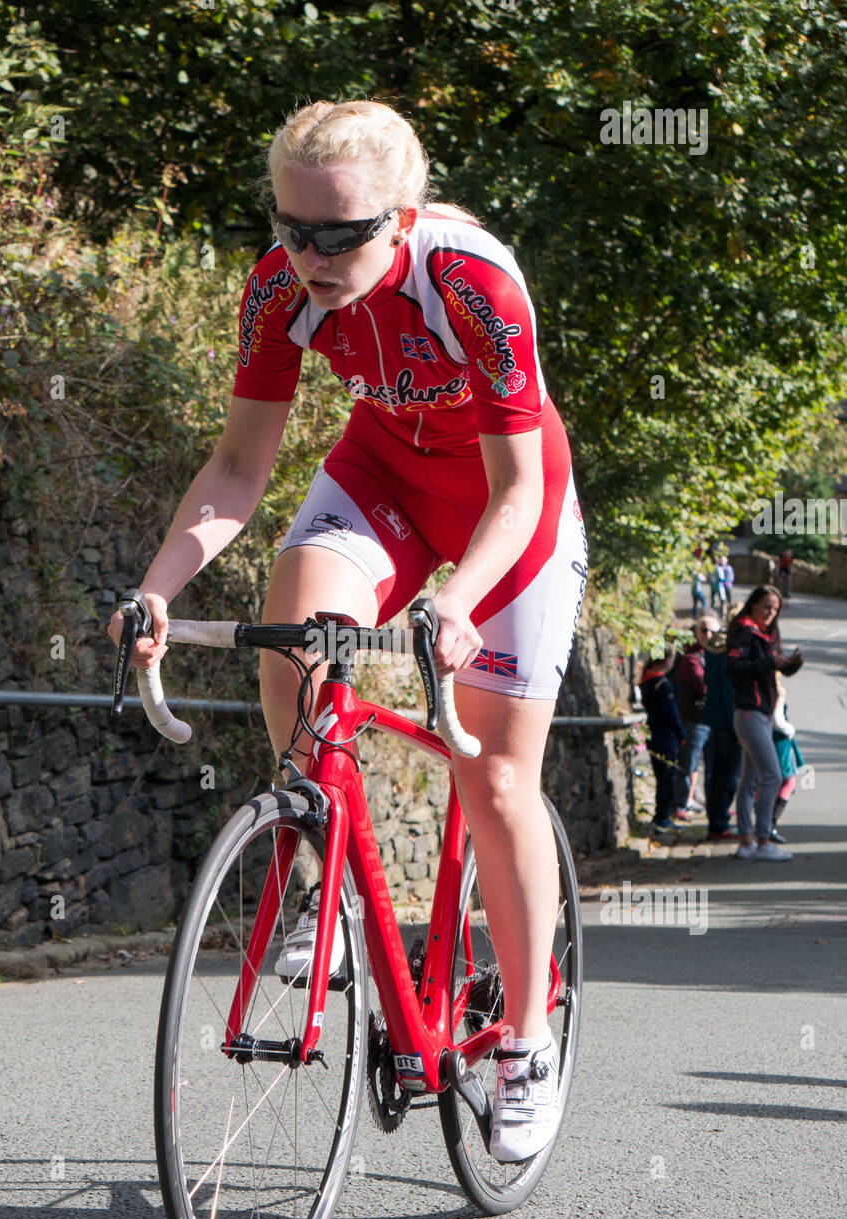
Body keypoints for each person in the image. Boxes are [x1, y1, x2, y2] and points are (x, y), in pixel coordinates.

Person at [106, 99, 588, 1163]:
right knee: (294, 626)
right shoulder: (279, 287)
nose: (312, 256)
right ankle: (322, 870)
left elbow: (517, 490)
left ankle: (524, 1038)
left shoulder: (472, 281)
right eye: (291, 228)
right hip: (380, 483)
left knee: (496, 776)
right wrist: (157, 591)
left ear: (403, 218)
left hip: (510, 519)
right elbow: (237, 471)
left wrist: (454, 605)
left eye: (342, 234)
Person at [725, 585, 803, 861]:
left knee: (751, 779)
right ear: (753, 605)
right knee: (773, 776)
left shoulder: (762, 632)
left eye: (775, 609)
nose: (771, 613)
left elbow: (771, 667)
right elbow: (733, 668)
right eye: (767, 607)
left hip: (758, 713)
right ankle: (763, 840)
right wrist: (770, 661)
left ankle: (747, 841)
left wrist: (791, 664)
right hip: (750, 712)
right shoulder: (744, 631)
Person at [671, 616, 717, 818]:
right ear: (696, 632)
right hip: (695, 720)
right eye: (704, 630)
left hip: (713, 720)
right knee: (688, 764)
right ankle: (680, 804)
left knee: (712, 767)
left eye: (713, 631)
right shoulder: (691, 659)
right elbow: (704, 686)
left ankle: (715, 809)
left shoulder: (716, 656)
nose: (708, 635)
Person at [701, 613, 742, 840]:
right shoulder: (729, 651)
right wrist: (736, 724)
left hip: (713, 718)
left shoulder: (713, 649)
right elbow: (729, 692)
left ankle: (716, 820)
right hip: (727, 721)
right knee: (727, 775)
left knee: (716, 774)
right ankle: (719, 823)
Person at [640, 646, 687, 833]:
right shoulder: (662, 684)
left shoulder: (646, 681)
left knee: (662, 778)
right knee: (667, 779)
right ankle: (662, 817)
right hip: (666, 737)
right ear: (667, 661)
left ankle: (661, 816)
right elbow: (672, 715)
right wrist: (681, 733)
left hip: (653, 734)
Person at [770, 671, 803, 843]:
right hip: (779, 740)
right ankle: (771, 823)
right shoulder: (777, 691)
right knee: (787, 780)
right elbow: (777, 720)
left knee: (771, 781)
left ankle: (767, 822)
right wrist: (790, 729)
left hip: (768, 736)